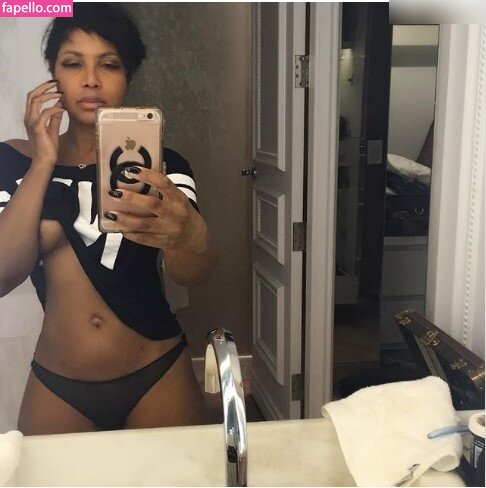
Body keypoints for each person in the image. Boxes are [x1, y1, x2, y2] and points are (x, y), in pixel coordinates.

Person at [0, 3, 217, 435]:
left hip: (157, 371)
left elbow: (193, 273)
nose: (91, 79)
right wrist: (43, 161)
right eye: (72, 63)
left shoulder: (163, 167)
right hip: (58, 382)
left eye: (109, 64)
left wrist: (188, 232)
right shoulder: (14, 161)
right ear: (53, 74)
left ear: (128, 77)